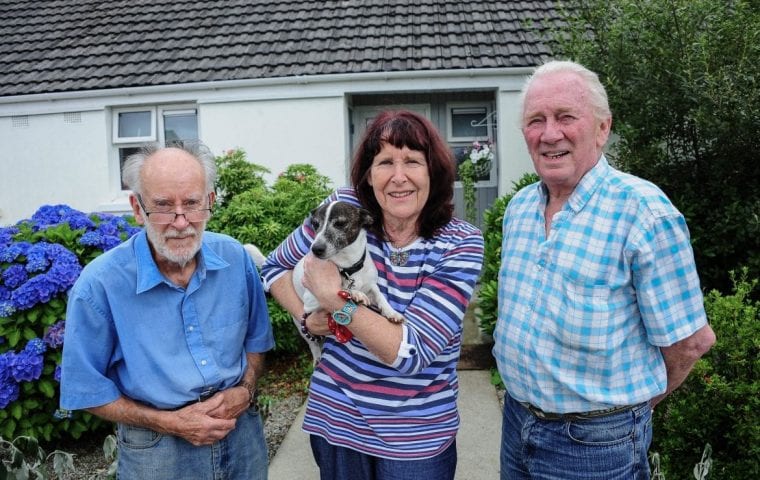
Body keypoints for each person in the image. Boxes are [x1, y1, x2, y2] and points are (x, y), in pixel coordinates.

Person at [492, 60, 716, 480]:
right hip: (516, 422)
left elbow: (691, 342)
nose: (549, 133)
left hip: (595, 447)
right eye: (536, 120)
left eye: (565, 117)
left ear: (602, 128)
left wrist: (626, 412)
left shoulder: (643, 212)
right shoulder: (519, 208)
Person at [260, 110, 484, 480]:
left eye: (412, 161)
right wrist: (307, 318)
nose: (398, 177)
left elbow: (410, 352)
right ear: (368, 173)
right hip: (336, 424)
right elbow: (273, 269)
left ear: (434, 172)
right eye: (384, 163)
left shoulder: (459, 243)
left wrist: (335, 303)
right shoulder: (343, 210)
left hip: (414, 440)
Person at [60, 140, 274, 480]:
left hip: (240, 433)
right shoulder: (100, 284)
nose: (180, 221)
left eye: (191, 204)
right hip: (157, 448)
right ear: (136, 207)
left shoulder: (235, 259)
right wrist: (170, 422)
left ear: (210, 202)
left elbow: (256, 341)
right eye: (162, 206)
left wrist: (246, 389)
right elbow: (84, 389)